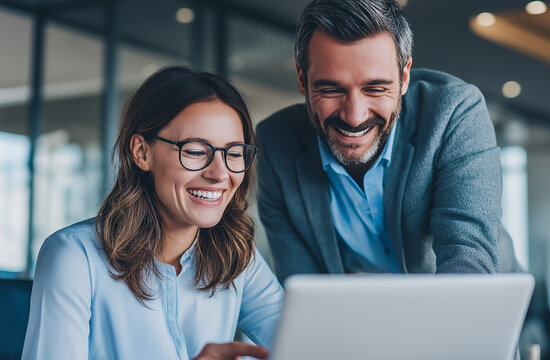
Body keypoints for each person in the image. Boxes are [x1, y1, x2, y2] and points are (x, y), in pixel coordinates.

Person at [22, 66, 283, 360]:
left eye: (234, 153)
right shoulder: (74, 256)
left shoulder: (238, 256)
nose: (221, 173)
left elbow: (303, 343)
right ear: (142, 152)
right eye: (196, 151)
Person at [257, 0, 518, 284]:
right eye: (331, 89)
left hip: (488, 307)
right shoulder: (276, 142)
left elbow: (467, 265)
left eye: (376, 88)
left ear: (404, 77)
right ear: (302, 79)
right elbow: (303, 285)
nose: (354, 117)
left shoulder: (454, 112)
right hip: (366, 315)